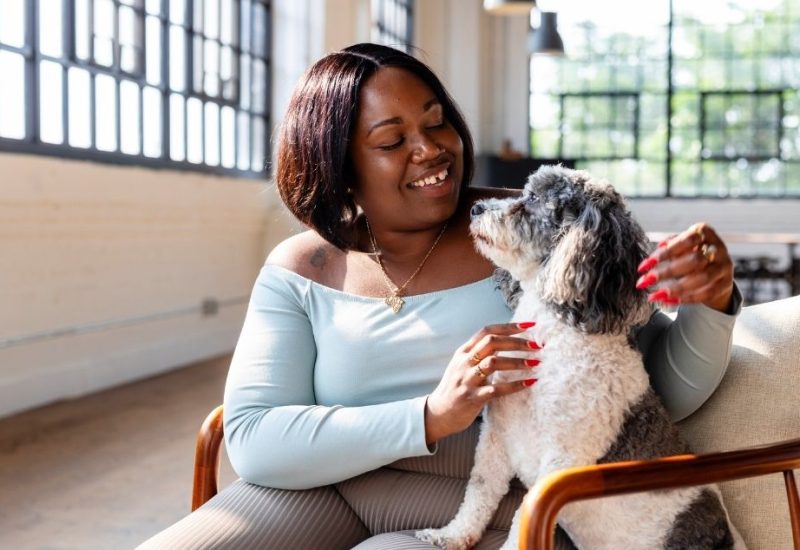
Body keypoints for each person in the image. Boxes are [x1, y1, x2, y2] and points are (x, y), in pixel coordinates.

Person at [138, 43, 740, 550]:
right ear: (341, 168)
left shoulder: (524, 233)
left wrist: (709, 302)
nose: (429, 149)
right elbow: (254, 437)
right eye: (391, 139)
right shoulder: (305, 267)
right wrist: (428, 417)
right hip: (320, 490)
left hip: (488, 507)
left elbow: (660, 389)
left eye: (435, 122)